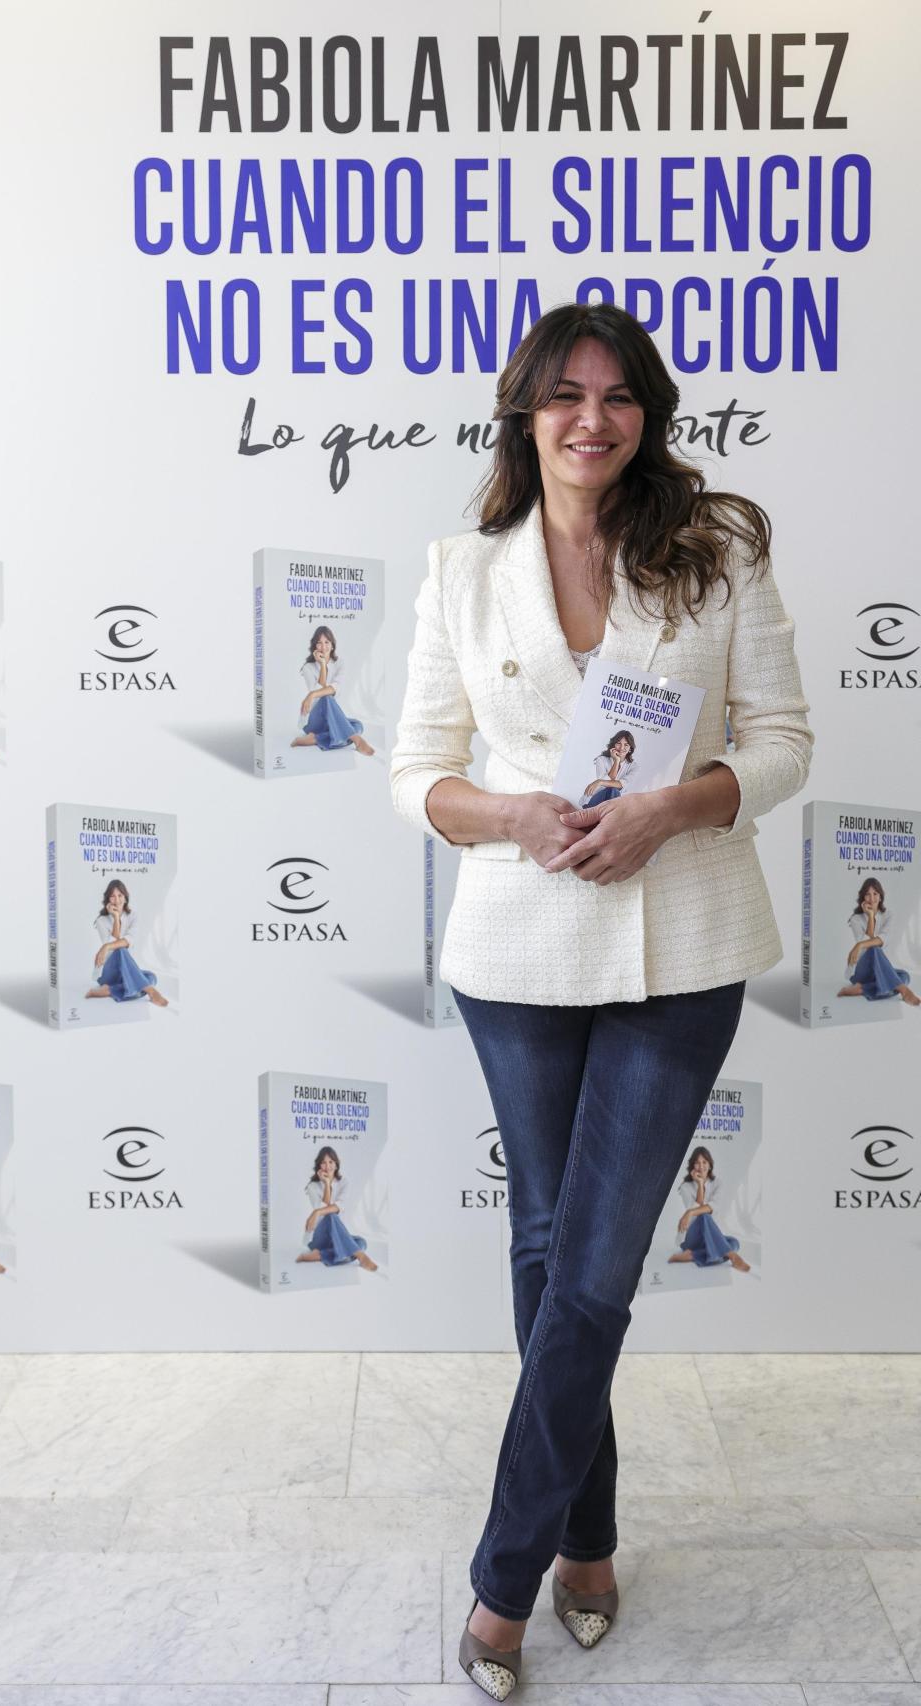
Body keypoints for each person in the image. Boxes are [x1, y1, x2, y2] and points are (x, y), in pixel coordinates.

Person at [389, 301, 814, 1699]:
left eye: (619, 394)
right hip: (518, 951)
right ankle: (587, 1539)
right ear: (526, 412)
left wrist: (671, 807)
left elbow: (783, 740)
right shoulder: (462, 570)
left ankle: (500, 1580)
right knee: (546, 1250)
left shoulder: (717, 550)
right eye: (565, 393)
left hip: (682, 946)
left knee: (593, 1268)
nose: (592, 417)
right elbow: (417, 771)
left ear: (648, 414)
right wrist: (512, 815)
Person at [292, 625, 374, 756]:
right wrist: (322, 664)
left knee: (358, 725)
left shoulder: (340, 664)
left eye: (327, 642)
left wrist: (311, 695)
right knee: (326, 698)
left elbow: (334, 688)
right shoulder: (308, 667)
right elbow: (322, 690)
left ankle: (315, 739)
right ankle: (357, 740)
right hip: (312, 721)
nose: (323, 647)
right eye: (319, 643)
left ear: (332, 645)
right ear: (314, 646)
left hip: (330, 720)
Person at [85, 880, 168, 1007]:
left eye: (120, 895)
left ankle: (110, 990)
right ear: (108, 899)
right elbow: (115, 944)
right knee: (120, 950)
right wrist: (116, 917)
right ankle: (151, 991)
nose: (117, 900)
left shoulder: (133, 916)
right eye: (112, 896)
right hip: (107, 973)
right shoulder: (101, 921)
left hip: (125, 972)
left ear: (125, 897)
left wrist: (106, 946)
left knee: (152, 976)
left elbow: (129, 940)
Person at [667, 1144, 750, 1272]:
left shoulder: (718, 1184)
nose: (701, 1166)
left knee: (735, 1242)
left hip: (708, 1237)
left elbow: (712, 1207)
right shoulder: (685, 1187)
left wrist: (689, 1212)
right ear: (692, 1166)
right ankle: (733, 1256)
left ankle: (692, 1255)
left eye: (704, 1162)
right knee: (703, 1216)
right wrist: (700, 1185)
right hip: (690, 1238)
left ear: (710, 1165)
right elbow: (699, 1210)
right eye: (697, 1163)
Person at [295, 1145, 378, 1271]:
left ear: (336, 1164)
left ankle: (319, 1255)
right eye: (323, 1163)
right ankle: (361, 1256)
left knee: (362, 1242)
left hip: (336, 1237)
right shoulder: (313, 1186)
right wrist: (327, 1184)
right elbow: (326, 1210)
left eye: (331, 1162)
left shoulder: (344, 1182)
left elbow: (339, 1207)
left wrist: (316, 1212)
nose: (327, 1166)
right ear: (319, 1165)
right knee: (330, 1216)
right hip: (318, 1238)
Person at [838, 877, 919, 1005]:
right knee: (873, 949)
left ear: (880, 897)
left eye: (875, 893)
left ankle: (861, 989)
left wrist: (859, 945)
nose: (872, 898)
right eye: (867, 894)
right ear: (863, 898)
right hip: (859, 972)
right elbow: (870, 944)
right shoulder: (856, 919)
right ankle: (904, 990)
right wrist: (870, 916)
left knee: (905, 975)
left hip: (877, 971)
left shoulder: (888, 915)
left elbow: (882, 940)